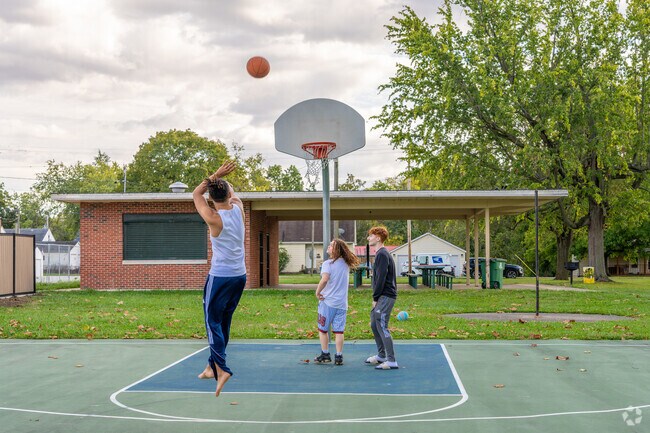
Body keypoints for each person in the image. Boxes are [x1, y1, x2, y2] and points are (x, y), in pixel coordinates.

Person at [193, 160, 247, 397]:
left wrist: (214, 174)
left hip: (221, 276)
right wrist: (220, 178)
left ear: (212, 198)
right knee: (223, 322)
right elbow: (228, 191)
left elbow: (196, 193)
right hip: (240, 276)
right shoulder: (239, 208)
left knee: (212, 322)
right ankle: (210, 366)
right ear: (228, 193)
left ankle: (221, 369)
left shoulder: (214, 218)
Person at [313, 238, 360, 366]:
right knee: (339, 331)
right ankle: (339, 356)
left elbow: (324, 279)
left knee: (323, 329)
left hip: (328, 302)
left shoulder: (328, 264)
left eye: (331, 245)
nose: (328, 247)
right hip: (342, 304)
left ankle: (325, 354)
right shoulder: (345, 263)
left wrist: (317, 292)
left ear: (337, 249)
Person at [365, 226, 399, 370]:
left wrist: (375, 297)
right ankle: (381, 355)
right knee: (374, 323)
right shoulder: (380, 254)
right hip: (382, 295)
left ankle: (391, 361)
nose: (368, 238)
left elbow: (381, 279)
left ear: (378, 238)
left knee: (382, 325)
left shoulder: (382, 254)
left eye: (371, 236)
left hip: (385, 295)